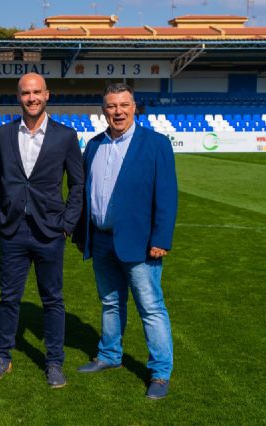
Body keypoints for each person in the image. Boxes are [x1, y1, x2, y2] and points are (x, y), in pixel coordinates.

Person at [73, 82, 178, 399]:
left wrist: (161, 237)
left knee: (151, 308)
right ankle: (109, 355)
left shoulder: (156, 144)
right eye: (111, 106)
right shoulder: (93, 145)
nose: (117, 111)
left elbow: (167, 195)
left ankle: (160, 373)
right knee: (109, 302)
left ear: (134, 107)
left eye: (123, 105)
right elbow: (85, 193)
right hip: (103, 239)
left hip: (141, 243)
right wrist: (83, 233)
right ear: (103, 110)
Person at [0, 73, 84, 388]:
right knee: (8, 297)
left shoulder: (65, 136)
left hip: (49, 231)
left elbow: (78, 183)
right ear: (19, 96)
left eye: (37, 92)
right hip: (12, 230)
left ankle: (54, 362)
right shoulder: (2, 135)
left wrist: (67, 223)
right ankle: (2, 356)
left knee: (52, 299)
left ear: (47, 95)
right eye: (26, 93)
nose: (32, 98)